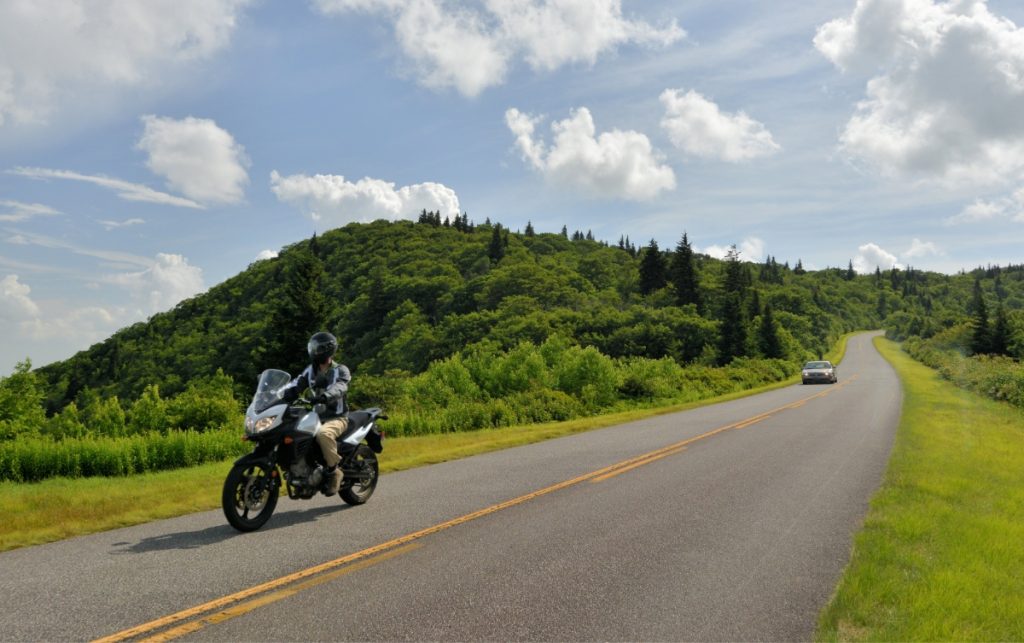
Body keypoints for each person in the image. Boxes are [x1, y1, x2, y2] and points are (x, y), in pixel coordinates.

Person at [282, 331, 351, 495]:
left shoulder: (340, 370)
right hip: (315, 416)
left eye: (317, 348)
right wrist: (282, 393)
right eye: (312, 348)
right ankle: (303, 472)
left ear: (327, 350)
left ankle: (335, 471)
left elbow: (340, 387)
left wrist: (325, 396)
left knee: (323, 435)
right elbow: (297, 383)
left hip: (337, 417)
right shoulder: (310, 370)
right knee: (294, 432)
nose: (314, 351)